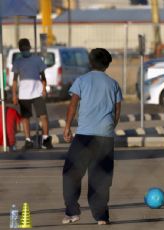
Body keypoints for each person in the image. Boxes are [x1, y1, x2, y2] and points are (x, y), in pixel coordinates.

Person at [62, 48, 122, 225]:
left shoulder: (82, 80)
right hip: (105, 137)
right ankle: (101, 216)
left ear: (90, 62)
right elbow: (117, 110)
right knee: (101, 177)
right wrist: (110, 127)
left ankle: (72, 212)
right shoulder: (113, 84)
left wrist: (67, 127)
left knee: (71, 173)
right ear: (107, 64)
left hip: (84, 136)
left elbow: (73, 105)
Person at [12, 38, 53, 150]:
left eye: (26, 47)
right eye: (22, 48)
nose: (24, 49)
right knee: (25, 118)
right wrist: (14, 94)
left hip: (37, 91)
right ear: (20, 49)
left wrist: (44, 88)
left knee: (43, 115)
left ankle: (45, 139)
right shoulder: (18, 62)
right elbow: (15, 80)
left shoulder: (37, 59)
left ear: (29, 47)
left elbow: (43, 76)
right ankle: (28, 140)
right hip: (24, 94)